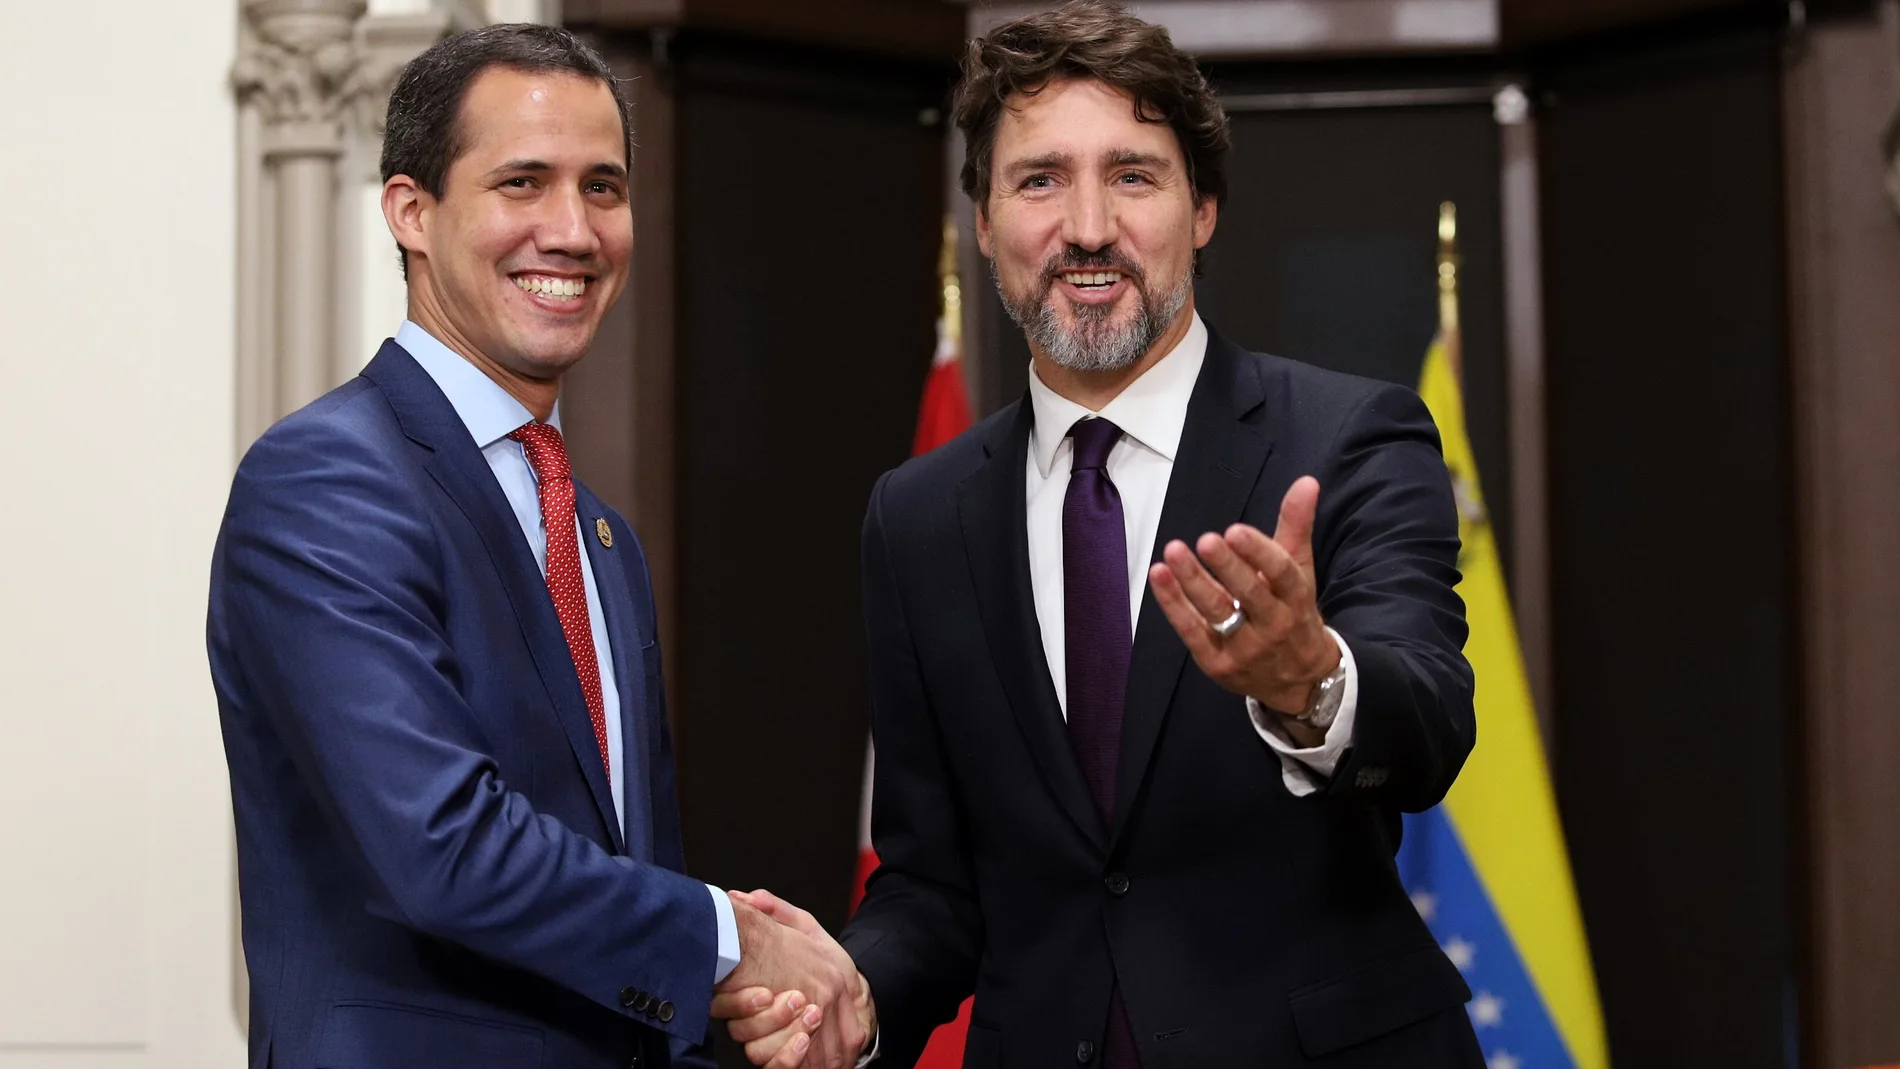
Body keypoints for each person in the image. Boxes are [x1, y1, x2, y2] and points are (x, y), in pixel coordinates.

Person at [718, 2, 1483, 1065]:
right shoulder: (918, 515)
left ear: (1202, 208)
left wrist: (1312, 684)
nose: (1086, 226)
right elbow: (933, 882)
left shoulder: (1348, 437)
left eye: (1132, 175)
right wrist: (852, 1000)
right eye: (1038, 180)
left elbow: (1431, 726)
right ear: (983, 219)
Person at [207, 25, 861, 1069]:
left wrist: (750, 1001)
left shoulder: (598, 536)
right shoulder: (325, 482)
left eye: (603, 187)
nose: (572, 229)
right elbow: (442, 849)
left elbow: (622, 885)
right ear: (412, 212)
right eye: (523, 182)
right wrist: (737, 942)